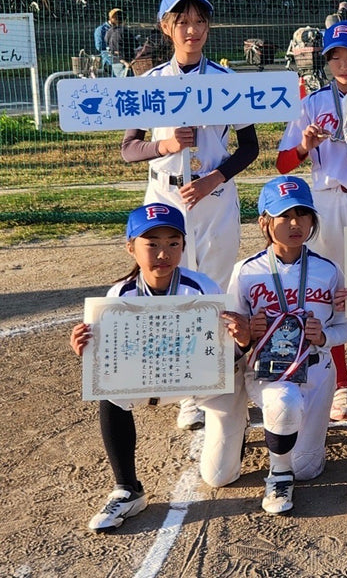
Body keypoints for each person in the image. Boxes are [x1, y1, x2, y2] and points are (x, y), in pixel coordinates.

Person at [120, 0, 259, 431]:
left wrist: (216, 178)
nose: (192, 29)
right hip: (164, 195)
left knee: (213, 286)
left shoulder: (226, 78)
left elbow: (250, 146)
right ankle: (185, 390)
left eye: (200, 21)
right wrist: (162, 143)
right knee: (168, 284)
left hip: (214, 195)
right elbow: (128, 149)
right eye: (182, 21)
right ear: (166, 28)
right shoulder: (150, 84)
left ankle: (211, 380)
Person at [70, 204, 222, 531]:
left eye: (173, 242)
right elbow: (108, 362)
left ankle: (230, 435)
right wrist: (87, 349)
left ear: (184, 246)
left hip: (199, 389)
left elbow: (227, 354)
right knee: (109, 393)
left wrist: (237, 337)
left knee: (221, 473)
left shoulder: (203, 287)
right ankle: (127, 488)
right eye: (151, 243)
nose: (163, 252)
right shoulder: (119, 294)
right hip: (149, 382)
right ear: (131, 247)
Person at [276, 20, 347, 423]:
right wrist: (305, 145)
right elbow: (282, 162)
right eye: (335, 56)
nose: (343, 63)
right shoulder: (312, 103)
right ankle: (341, 380)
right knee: (330, 291)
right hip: (327, 200)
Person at [224, 176, 347, 512]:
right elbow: (231, 331)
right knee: (284, 401)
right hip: (270, 372)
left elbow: (345, 328)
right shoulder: (247, 271)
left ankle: (291, 455)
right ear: (264, 222)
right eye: (284, 216)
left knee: (308, 470)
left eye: (303, 214)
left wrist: (323, 337)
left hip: (318, 370)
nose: (295, 224)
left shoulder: (328, 270)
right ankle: (278, 475)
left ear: (313, 220)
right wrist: (248, 333)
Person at [93, 8, 124, 73]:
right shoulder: (101, 29)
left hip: (122, 56)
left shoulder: (121, 29)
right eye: (117, 17)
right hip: (109, 58)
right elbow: (99, 46)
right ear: (111, 18)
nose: (120, 20)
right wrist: (112, 48)